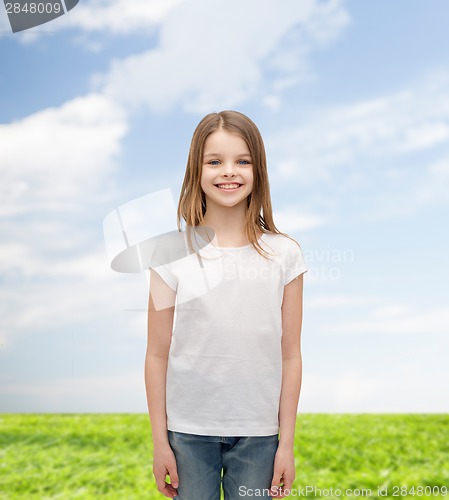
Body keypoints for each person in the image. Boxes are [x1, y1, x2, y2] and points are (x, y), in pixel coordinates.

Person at [145, 110, 308, 499]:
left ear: (258, 170)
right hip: (186, 433)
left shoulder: (285, 254)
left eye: (243, 161)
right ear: (196, 171)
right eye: (214, 161)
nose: (228, 172)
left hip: (259, 435)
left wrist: (286, 444)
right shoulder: (169, 253)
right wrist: (159, 442)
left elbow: (291, 355)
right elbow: (156, 353)